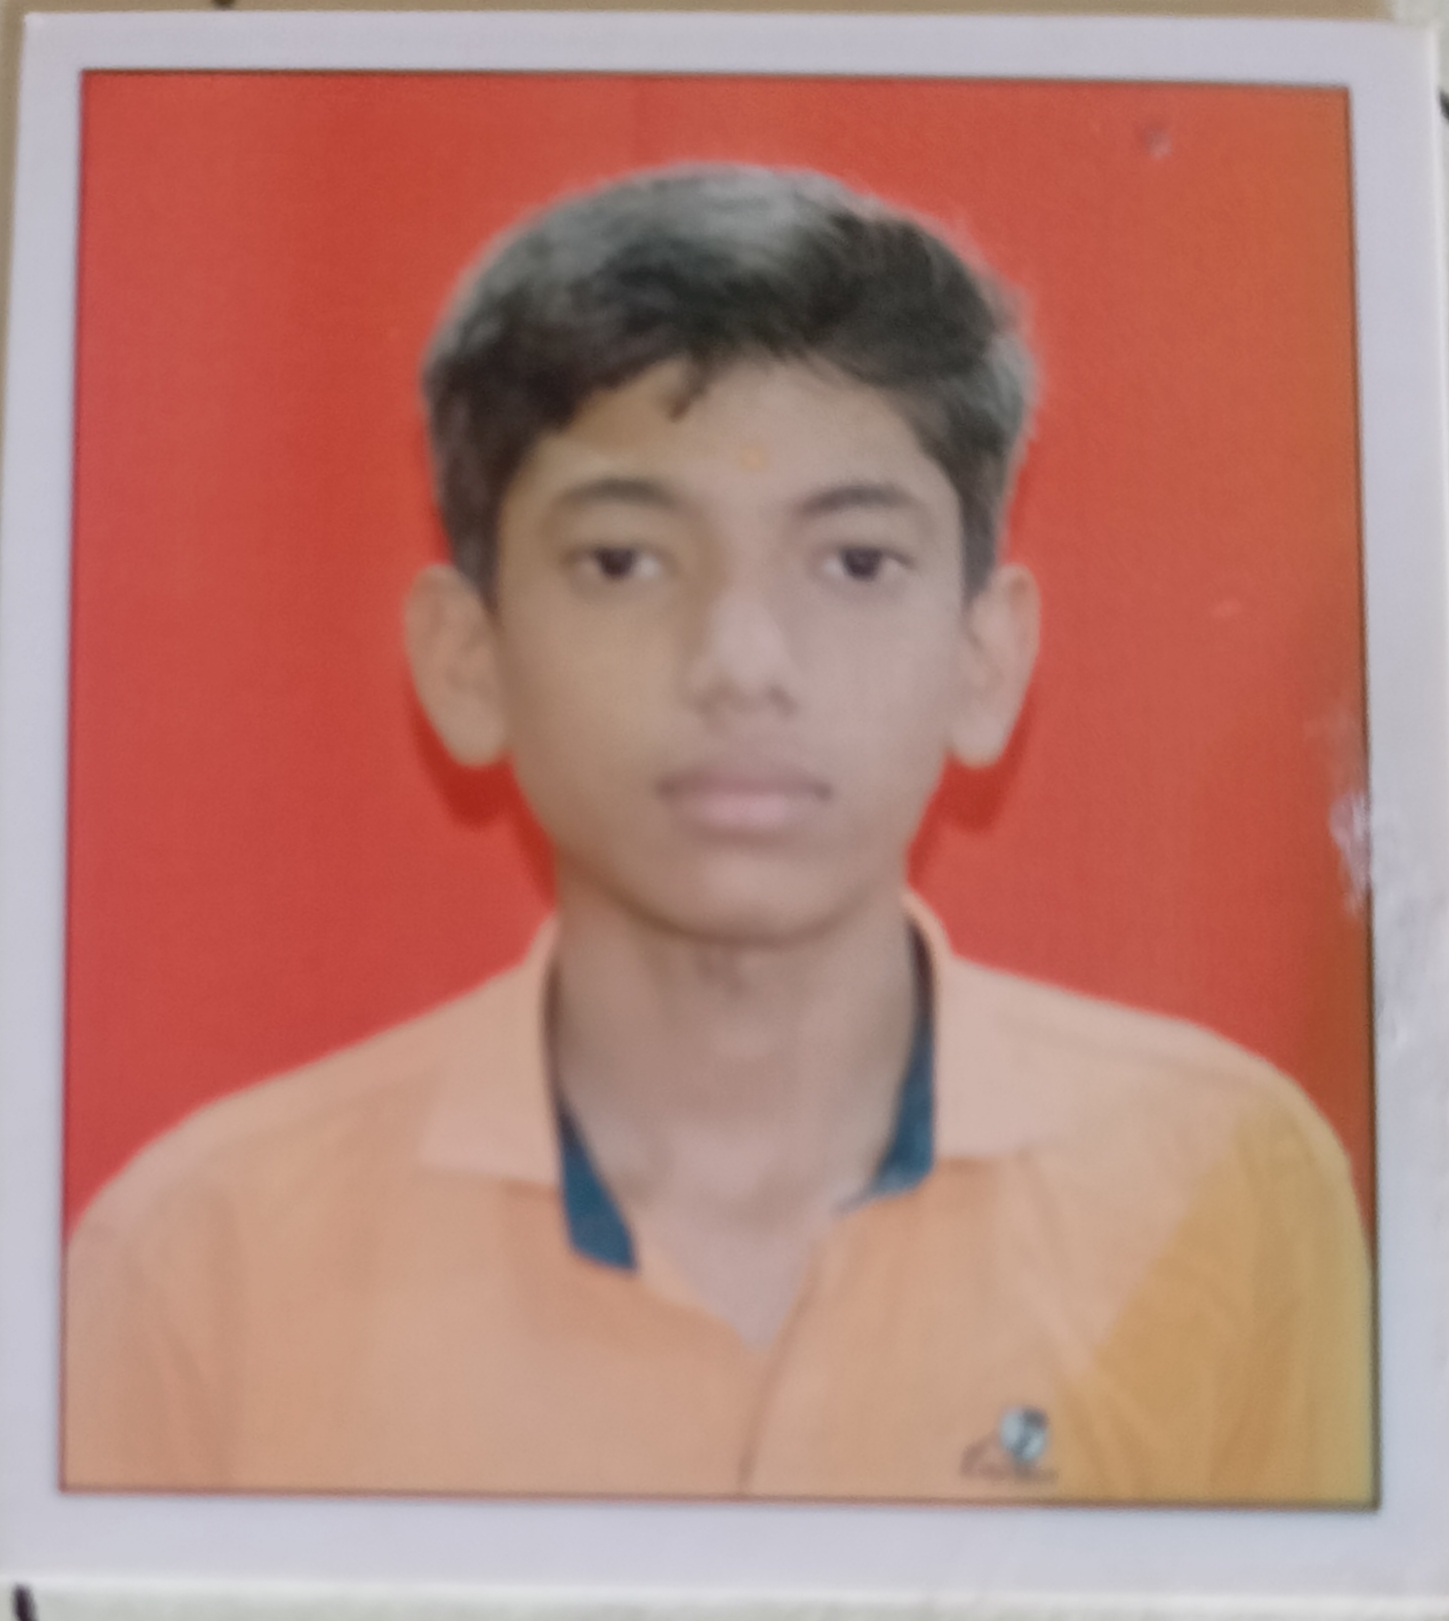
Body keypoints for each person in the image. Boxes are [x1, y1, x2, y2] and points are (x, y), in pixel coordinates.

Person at [63, 165, 1372, 1503]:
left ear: (987, 658)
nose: (743, 663)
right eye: (624, 561)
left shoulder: (1227, 1187)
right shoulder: (202, 1261)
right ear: (466, 658)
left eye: (855, 562)